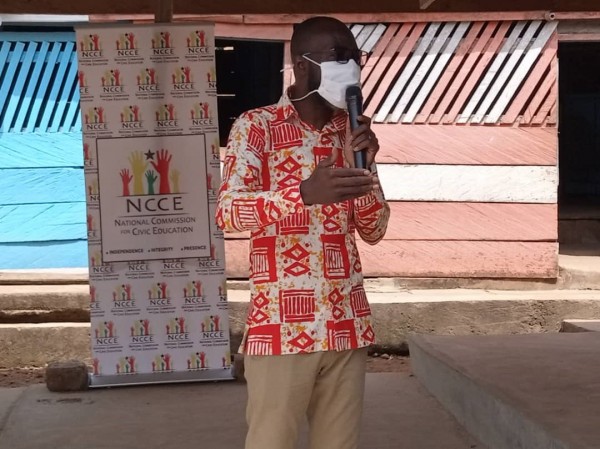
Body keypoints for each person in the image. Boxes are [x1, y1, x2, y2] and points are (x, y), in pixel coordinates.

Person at [216, 16, 390, 449]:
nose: (351, 66)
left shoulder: (350, 131)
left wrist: (364, 166)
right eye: (339, 56)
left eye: (355, 56)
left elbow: (374, 229)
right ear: (302, 65)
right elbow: (228, 213)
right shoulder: (256, 126)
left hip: (346, 323)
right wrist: (302, 194)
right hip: (281, 327)